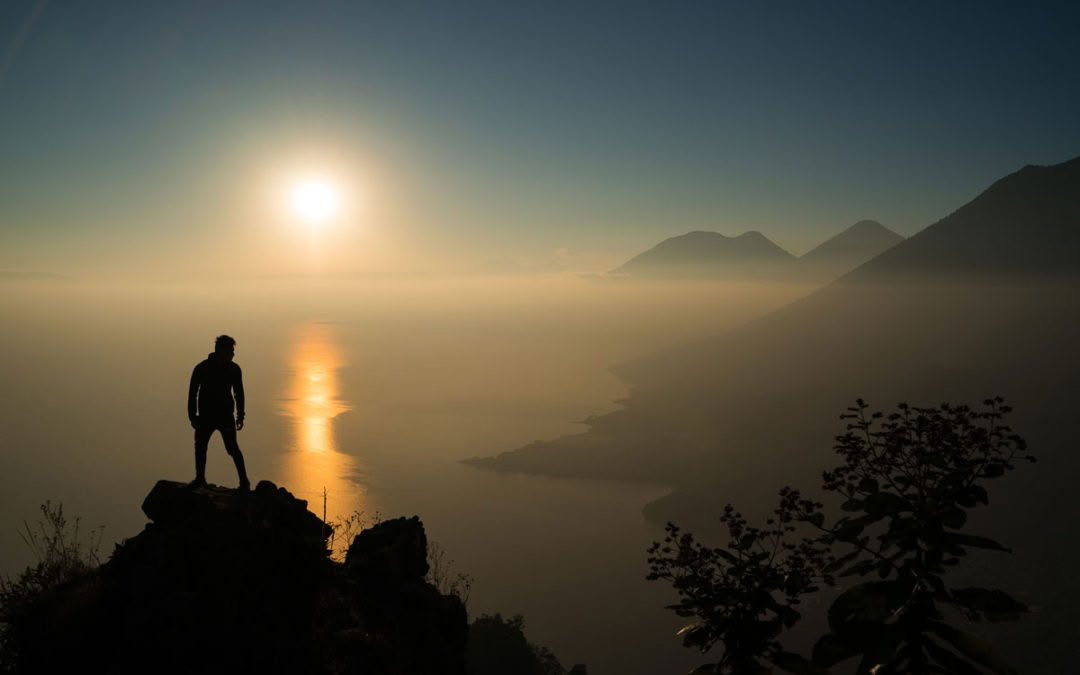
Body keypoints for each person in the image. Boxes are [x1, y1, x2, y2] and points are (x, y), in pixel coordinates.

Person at [187, 334, 250, 490]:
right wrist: (192, 416)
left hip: (225, 416)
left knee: (232, 448)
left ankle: (244, 483)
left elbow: (239, 393)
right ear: (221, 351)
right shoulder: (201, 369)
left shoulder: (234, 370)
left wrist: (240, 415)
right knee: (200, 447)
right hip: (206, 416)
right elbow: (192, 393)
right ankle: (200, 479)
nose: (233, 354)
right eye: (231, 351)